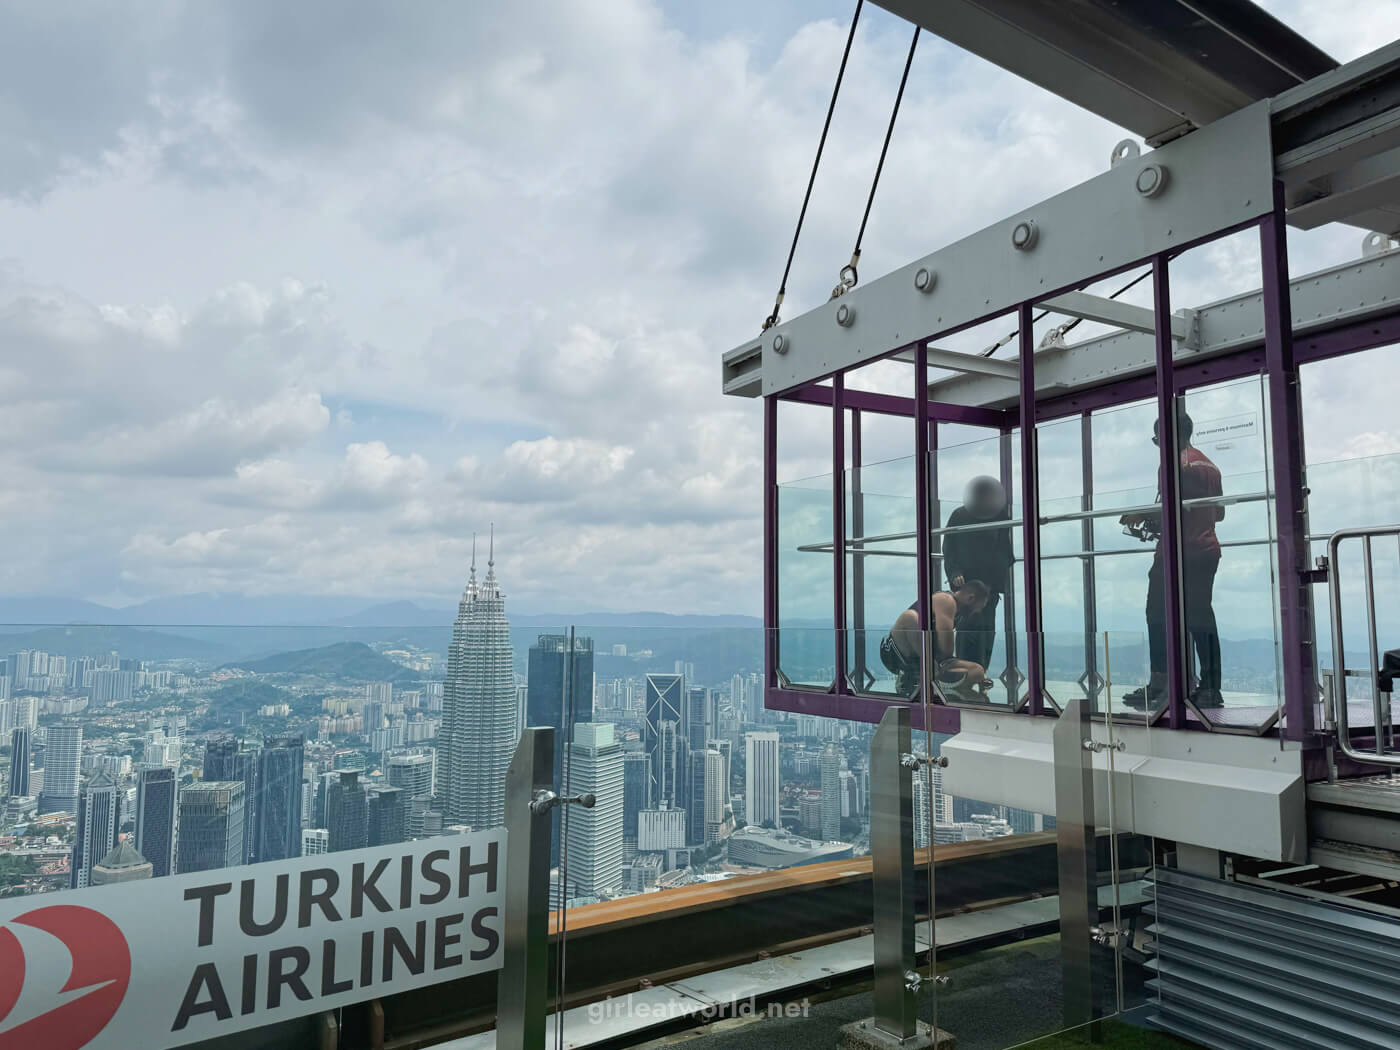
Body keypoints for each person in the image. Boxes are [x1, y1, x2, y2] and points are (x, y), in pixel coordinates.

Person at [1121, 409, 1224, 710]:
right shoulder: (1210, 465)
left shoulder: (1174, 465)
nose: (1158, 446)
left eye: (1157, 440)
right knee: (1201, 617)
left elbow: (1169, 509)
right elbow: (1219, 513)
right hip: (1206, 549)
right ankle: (1210, 687)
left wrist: (1141, 515)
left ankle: (1162, 683)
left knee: (1156, 612)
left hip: (1177, 551)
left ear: (1167, 435)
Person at [942, 476, 1015, 672]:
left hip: (989, 587)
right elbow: (948, 547)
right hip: (966, 584)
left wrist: (995, 583)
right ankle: (962, 674)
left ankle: (980, 672)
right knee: (966, 630)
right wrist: (954, 572)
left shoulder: (1000, 517)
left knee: (987, 632)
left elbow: (1004, 551)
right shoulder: (959, 515)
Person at [880, 580, 992, 699]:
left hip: (930, 657)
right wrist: (946, 662)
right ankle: (912, 673)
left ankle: (933, 679)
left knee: (977, 671)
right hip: (897, 651)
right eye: (978, 607)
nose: (978, 612)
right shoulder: (947, 600)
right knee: (910, 617)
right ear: (970, 598)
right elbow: (946, 648)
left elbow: (945, 654)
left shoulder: (959, 613)